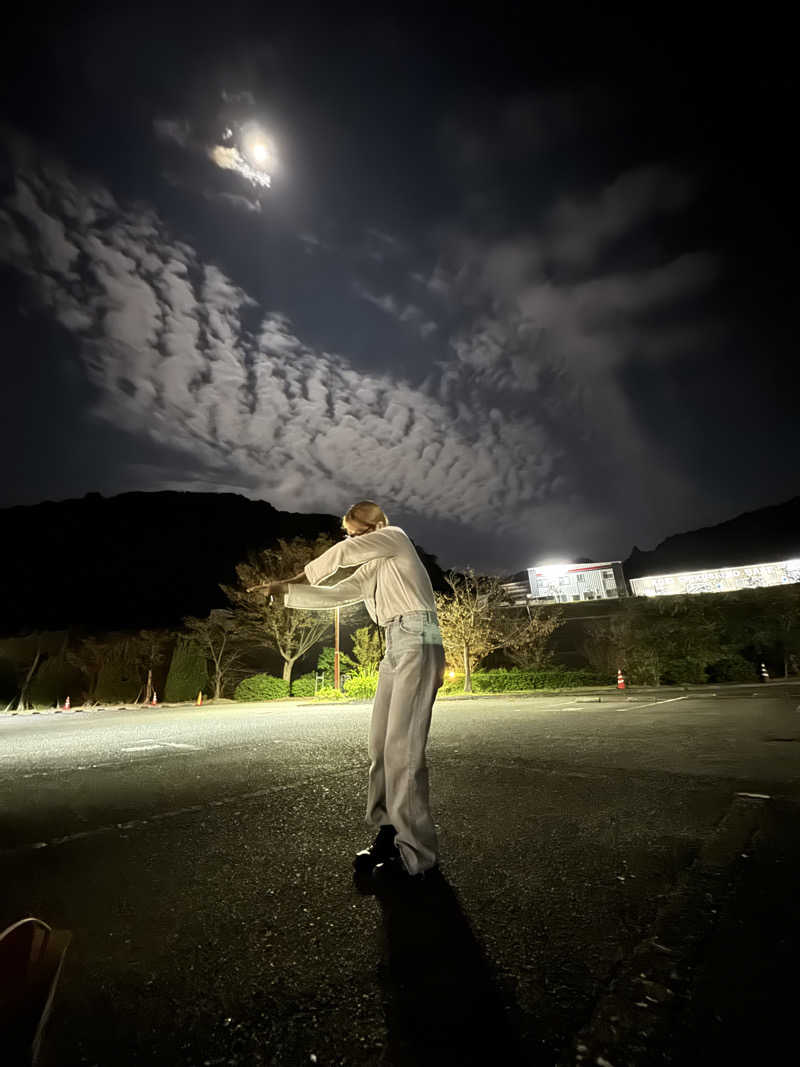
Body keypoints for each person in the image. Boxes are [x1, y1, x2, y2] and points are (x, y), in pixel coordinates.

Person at [261, 500, 445, 889]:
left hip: (419, 636)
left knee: (403, 750)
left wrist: (299, 575)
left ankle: (418, 859)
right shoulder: (377, 566)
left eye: (355, 531)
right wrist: (286, 593)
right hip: (395, 644)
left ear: (375, 526)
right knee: (380, 746)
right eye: (348, 533)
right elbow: (341, 591)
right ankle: (390, 833)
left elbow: (342, 556)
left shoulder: (394, 538)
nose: (351, 539)